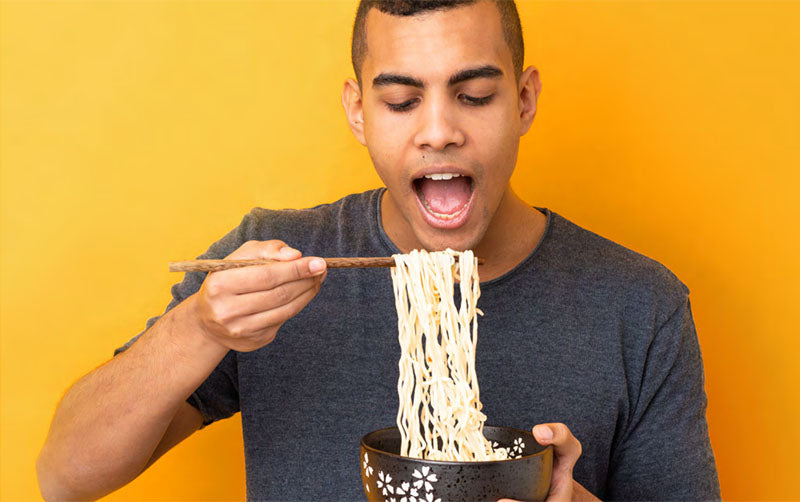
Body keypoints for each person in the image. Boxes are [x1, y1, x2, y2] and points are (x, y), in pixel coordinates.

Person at [36, 1, 720, 500]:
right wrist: (201, 327)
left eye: (474, 95)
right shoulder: (273, 258)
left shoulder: (639, 306)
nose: (439, 132)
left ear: (524, 100)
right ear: (358, 111)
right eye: (401, 102)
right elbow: (65, 475)